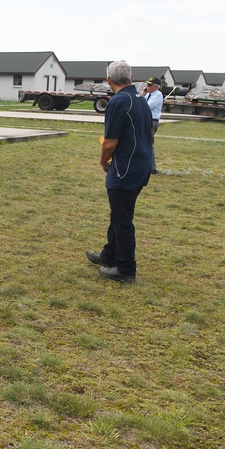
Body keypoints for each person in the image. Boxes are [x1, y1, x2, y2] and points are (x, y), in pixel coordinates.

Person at [86, 60, 154, 284]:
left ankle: (125, 269)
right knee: (119, 213)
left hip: (125, 168)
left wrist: (103, 162)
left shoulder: (118, 102)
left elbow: (109, 143)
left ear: (109, 81)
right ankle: (109, 255)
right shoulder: (140, 100)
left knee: (122, 219)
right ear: (131, 77)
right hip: (141, 165)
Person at [142, 76, 163, 174]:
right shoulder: (148, 95)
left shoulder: (157, 95)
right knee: (144, 143)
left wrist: (142, 99)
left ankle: (152, 168)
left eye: (149, 85)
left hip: (152, 121)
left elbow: (147, 106)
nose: (147, 86)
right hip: (146, 120)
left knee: (148, 144)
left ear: (156, 86)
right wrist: (143, 95)